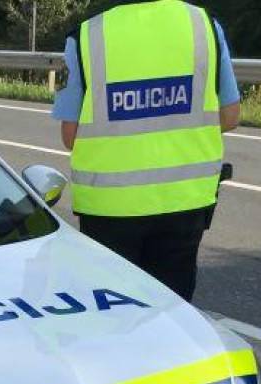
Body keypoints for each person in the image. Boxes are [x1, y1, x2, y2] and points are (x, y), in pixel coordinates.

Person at [52, 0, 241, 301]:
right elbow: (230, 116)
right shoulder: (205, 26)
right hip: (185, 201)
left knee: (118, 315)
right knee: (172, 312)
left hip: (109, 208)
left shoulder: (86, 36)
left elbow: (70, 135)